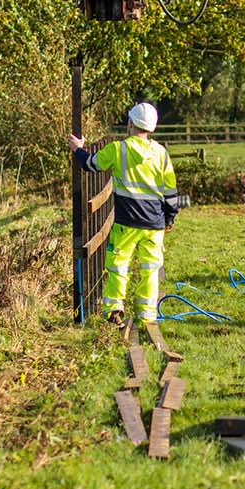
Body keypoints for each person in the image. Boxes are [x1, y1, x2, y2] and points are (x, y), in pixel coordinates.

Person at [68, 102, 179, 328]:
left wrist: (78, 148)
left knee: (119, 264)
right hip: (154, 222)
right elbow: (171, 192)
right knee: (150, 268)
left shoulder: (118, 149)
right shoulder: (161, 153)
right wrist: (170, 218)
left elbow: (90, 164)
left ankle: (114, 310)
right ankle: (147, 316)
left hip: (126, 221)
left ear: (130, 123)